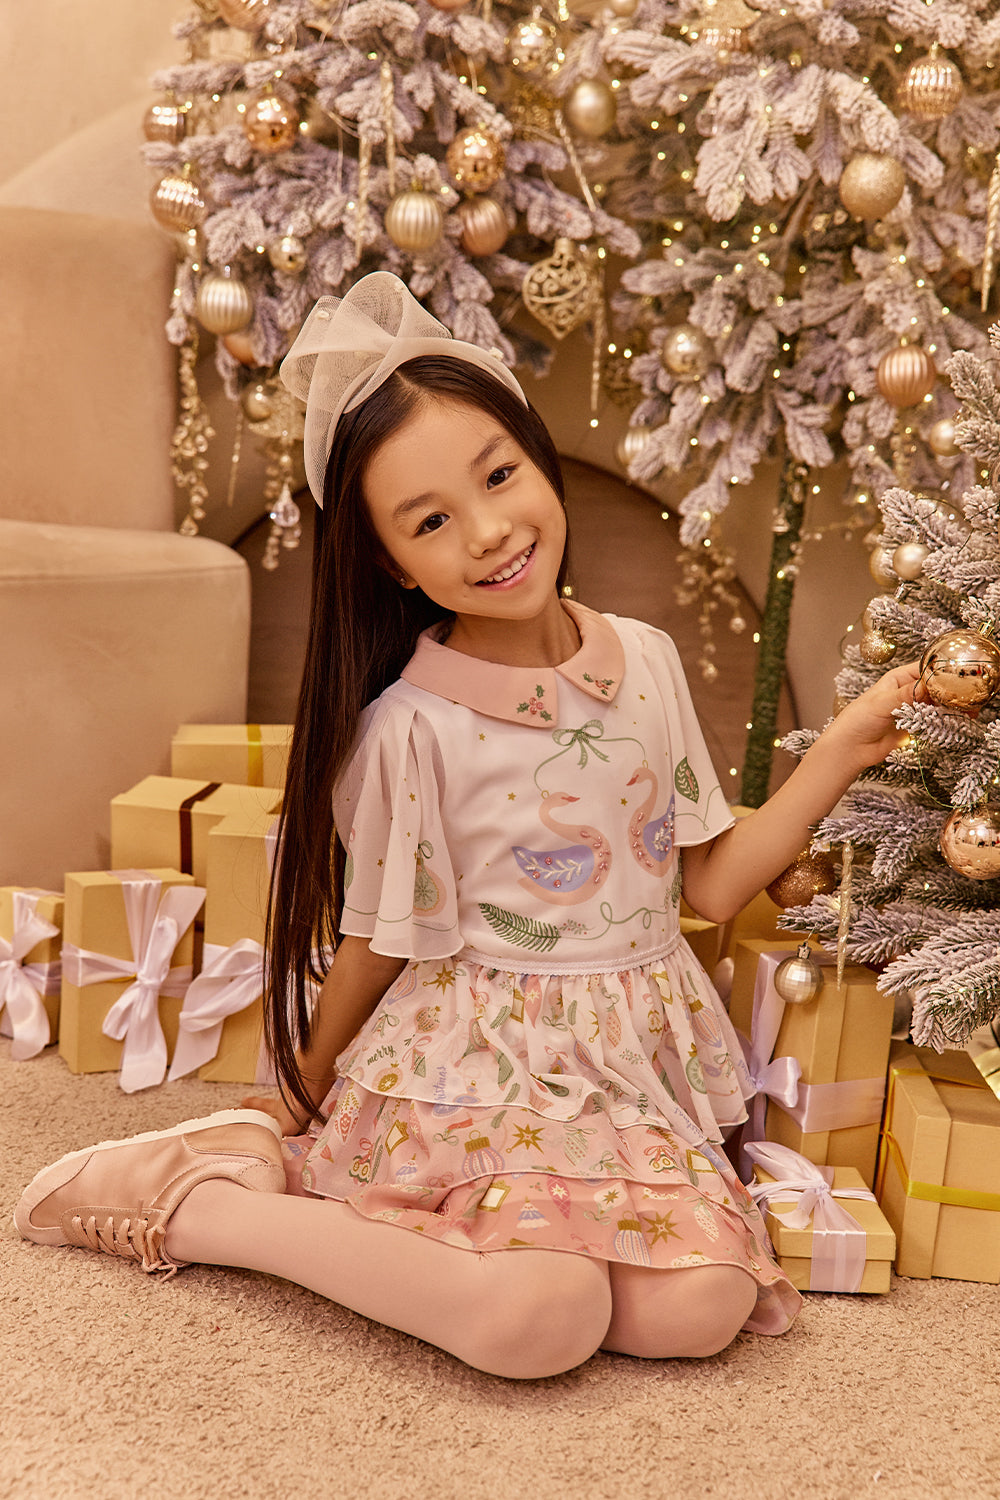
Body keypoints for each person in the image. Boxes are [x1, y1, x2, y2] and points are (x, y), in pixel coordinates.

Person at [15, 272, 919, 1380]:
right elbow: (382, 940)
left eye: (500, 475)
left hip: (626, 1059)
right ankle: (202, 1205)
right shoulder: (411, 726)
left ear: (539, 459)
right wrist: (287, 1098)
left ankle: (452, 1249)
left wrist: (845, 746)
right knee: (536, 1321)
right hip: (478, 1053)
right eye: (432, 520)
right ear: (394, 562)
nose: (490, 532)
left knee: (702, 1310)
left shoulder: (644, 658)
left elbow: (712, 888)